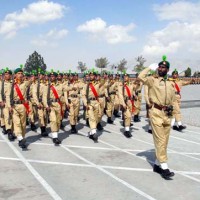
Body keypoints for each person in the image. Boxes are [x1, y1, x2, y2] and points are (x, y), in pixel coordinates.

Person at [138, 56, 175, 180]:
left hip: (167, 114)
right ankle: (164, 167)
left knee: (165, 141)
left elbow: (173, 99)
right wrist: (148, 68)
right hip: (156, 113)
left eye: (163, 67)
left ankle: (157, 165)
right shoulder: (152, 80)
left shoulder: (170, 82)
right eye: (159, 66)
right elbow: (140, 77)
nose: (160, 68)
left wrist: (174, 115)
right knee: (160, 140)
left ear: (167, 70)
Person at [6, 67, 29, 149]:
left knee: (23, 124)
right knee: (17, 123)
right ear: (15, 75)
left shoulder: (25, 83)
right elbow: (8, 96)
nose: (20, 75)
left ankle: (21, 138)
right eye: (18, 73)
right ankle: (19, 138)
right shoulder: (11, 85)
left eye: (21, 73)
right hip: (14, 106)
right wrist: (9, 106)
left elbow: (32, 82)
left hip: (23, 106)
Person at [118, 72, 136, 138]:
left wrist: (134, 95)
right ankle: (127, 130)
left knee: (129, 116)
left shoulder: (131, 84)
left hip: (130, 101)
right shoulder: (121, 85)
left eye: (126, 77)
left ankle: (127, 127)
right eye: (124, 77)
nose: (125, 78)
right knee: (127, 116)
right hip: (125, 101)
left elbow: (134, 88)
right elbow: (120, 94)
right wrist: (123, 103)